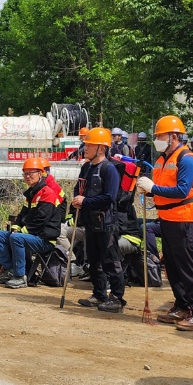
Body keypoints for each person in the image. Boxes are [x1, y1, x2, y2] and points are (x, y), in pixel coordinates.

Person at [138, 116, 193, 330]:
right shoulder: (162, 158)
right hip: (167, 219)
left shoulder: (186, 158)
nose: (157, 139)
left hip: (185, 220)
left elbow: (182, 190)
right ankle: (181, 305)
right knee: (173, 267)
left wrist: (153, 189)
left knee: (188, 267)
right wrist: (150, 191)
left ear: (174, 136)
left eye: (160, 135)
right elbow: (163, 187)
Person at [72, 127, 126, 311]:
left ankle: (117, 298)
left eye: (89, 145)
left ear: (101, 148)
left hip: (106, 223)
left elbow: (109, 197)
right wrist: (77, 200)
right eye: (85, 144)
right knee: (93, 261)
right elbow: (79, 187)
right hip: (89, 221)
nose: (85, 148)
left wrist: (86, 201)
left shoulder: (109, 169)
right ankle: (98, 294)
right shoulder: (86, 167)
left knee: (111, 261)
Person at [0, 156, 64, 288]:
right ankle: (10, 269)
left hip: (45, 239)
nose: (27, 176)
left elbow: (41, 220)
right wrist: (17, 226)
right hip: (31, 236)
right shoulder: (31, 194)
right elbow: (22, 215)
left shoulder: (47, 193)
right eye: (25, 173)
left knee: (17, 238)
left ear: (40, 174)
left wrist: (23, 231)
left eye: (31, 173)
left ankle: (20, 276)